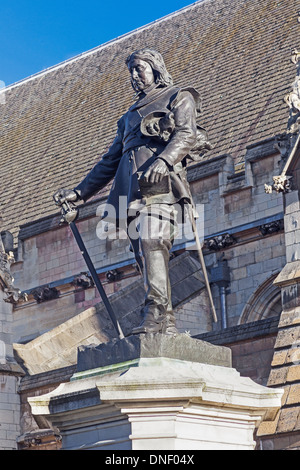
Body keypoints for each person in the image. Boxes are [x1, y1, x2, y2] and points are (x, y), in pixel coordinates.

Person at [54, 48, 209, 335]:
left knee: (153, 240)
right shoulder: (127, 118)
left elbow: (186, 134)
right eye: (131, 72)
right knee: (144, 255)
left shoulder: (178, 96)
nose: (135, 76)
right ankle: (167, 322)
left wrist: (163, 160)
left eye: (140, 68)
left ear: (155, 68)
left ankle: (154, 311)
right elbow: (109, 162)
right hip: (129, 194)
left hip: (161, 187)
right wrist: (79, 194)